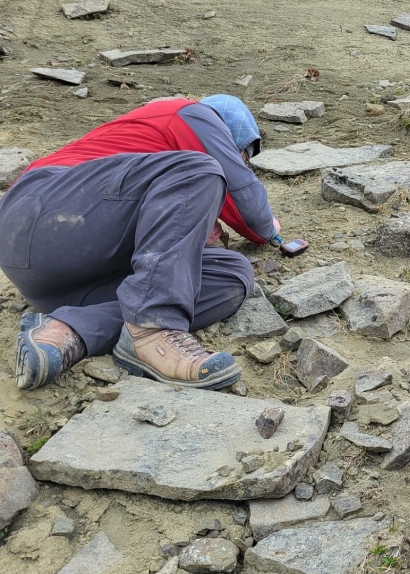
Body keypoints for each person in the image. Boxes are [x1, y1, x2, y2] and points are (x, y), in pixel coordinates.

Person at [1, 94, 280, 391]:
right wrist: (271, 226)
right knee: (199, 170)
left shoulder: (149, 148)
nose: (242, 168)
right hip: (37, 211)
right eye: (243, 159)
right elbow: (253, 217)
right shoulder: (192, 114)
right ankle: (153, 329)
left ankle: (71, 332)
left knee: (232, 272)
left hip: (59, 273)